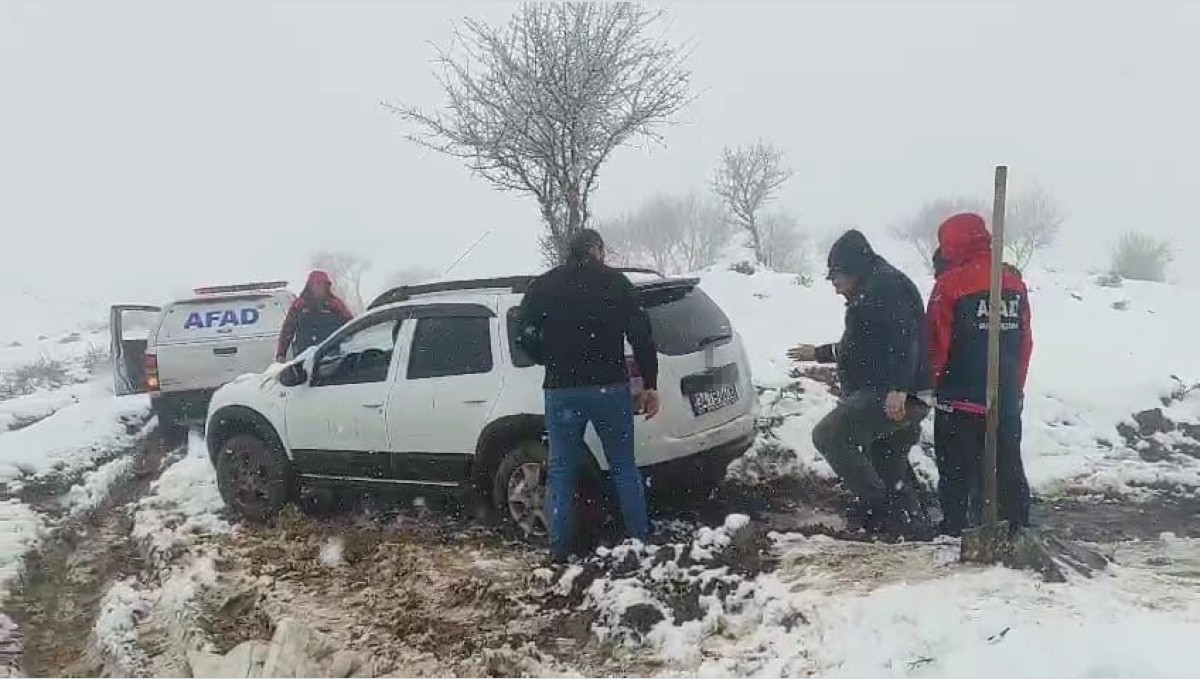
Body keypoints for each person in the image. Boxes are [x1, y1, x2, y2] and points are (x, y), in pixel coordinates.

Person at [515, 229, 661, 563]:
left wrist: (549, 357)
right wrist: (650, 384)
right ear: (597, 251)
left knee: (561, 470)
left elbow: (522, 335)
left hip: (562, 391)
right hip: (609, 387)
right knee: (624, 466)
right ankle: (641, 540)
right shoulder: (616, 283)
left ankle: (559, 549)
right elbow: (642, 337)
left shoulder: (544, 285)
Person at [788, 229, 934, 539]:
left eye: (836, 279)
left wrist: (898, 388)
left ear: (852, 269)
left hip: (890, 394)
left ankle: (876, 508)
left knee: (830, 435)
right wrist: (820, 353)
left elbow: (904, 339)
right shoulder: (876, 286)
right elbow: (862, 346)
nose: (836, 288)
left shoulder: (885, 288)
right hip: (899, 392)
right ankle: (910, 522)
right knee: (887, 458)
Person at [927, 213, 1033, 536]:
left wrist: (931, 383)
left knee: (956, 471)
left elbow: (936, 342)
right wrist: (1015, 386)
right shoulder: (1013, 282)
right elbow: (1025, 341)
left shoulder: (949, 285)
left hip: (959, 400)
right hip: (1005, 397)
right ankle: (1015, 527)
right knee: (1007, 465)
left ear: (951, 245)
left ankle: (956, 530)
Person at [276, 270, 354, 362]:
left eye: (323, 284)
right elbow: (287, 330)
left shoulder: (335, 304)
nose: (320, 287)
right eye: (317, 284)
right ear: (310, 286)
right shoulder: (299, 305)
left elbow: (351, 325)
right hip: (303, 358)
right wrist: (281, 354)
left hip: (331, 358)